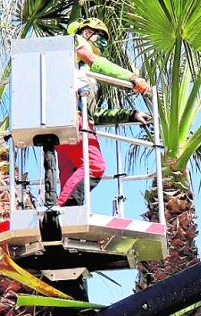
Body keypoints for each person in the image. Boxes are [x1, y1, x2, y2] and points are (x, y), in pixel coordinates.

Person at [59, 17, 153, 207]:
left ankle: (63, 217)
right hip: (72, 118)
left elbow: (96, 114)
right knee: (94, 166)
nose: (103, 41)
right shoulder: (74, 43)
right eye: (100, 35)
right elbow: (94, 59)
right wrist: (132, 78)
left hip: (65, 120)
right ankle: (60, 210)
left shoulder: (81, 73)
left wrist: (131, 114)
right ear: (87, 33)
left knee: (70, 177)